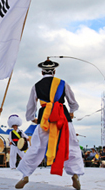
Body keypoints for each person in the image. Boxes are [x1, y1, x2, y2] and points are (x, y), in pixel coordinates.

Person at [16, 58, 84, 190]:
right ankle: (75, 174)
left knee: (37, 146)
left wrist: (32, 118)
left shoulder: (36, 86)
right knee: (71, 145)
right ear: (54, 71)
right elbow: (73, 103)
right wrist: (71, 112)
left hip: (45, 118)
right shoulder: (62, 83)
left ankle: (25, 175)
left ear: (42, 72)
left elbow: (30, 106)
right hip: (63, 118)